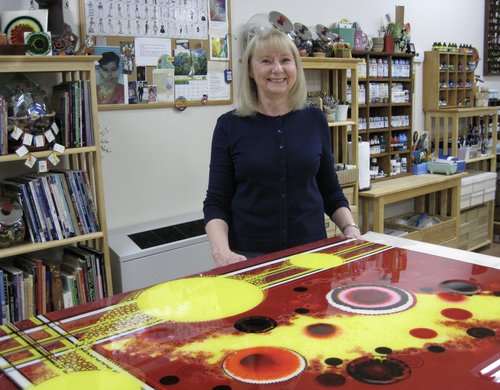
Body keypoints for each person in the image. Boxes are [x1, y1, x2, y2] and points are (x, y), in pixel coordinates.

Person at [203, 29, 361, 267]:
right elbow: (216, 201)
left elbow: (330, 190)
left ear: (296, 67)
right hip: (250, 257)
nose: (277, 69)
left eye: (285, 60)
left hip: (312, 253)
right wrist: (222, 252)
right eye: (266, 61)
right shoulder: (229, 126)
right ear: (250, 69)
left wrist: (350, 228)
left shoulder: (315, 120)